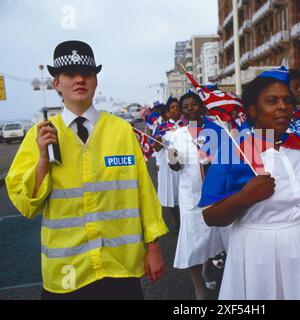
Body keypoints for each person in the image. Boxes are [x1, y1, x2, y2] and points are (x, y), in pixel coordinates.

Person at [6, 40, 168, 300]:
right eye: (70, 74)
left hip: (120, 268)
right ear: (56, 83)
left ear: (96, 81)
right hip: (67, 272)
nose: (79, 80)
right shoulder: (41, 136)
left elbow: (144, 192)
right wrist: (42, 162)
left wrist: (153, 246)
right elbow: (27, 205)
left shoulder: (121, 131)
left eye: (87, 74)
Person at [199, 67, 300, 300]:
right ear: (252, 110)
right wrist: (245, 197)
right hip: (258, 252)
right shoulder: (236, 148)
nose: (283, 107)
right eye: (272, 101)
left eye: (287, 101)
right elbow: (210, 216)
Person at [166, 92, 224, 300]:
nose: (190, 109)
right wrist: (172, 158)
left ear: (201, 106)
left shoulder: (216, 131)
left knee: (213, 238)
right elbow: (175, 167)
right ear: (182, 111)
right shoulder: (177, 135)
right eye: (186, 106)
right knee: (193, 243)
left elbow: (225, 161)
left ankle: (208, 269)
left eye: (194, 105)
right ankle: (199, 288)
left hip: (214, 193)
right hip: (190, 196)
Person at [153, 97, 186, 231]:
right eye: (172, 107)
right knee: (172, 195)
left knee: (185, 192)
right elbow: (156, 148)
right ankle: (177, 220)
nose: (175, 109)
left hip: (186, 161)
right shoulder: (162, 127)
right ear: (168, 112)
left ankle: (185, 220)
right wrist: (158, 141)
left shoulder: (187, 124)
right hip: (170, 162)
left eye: (177, 107)